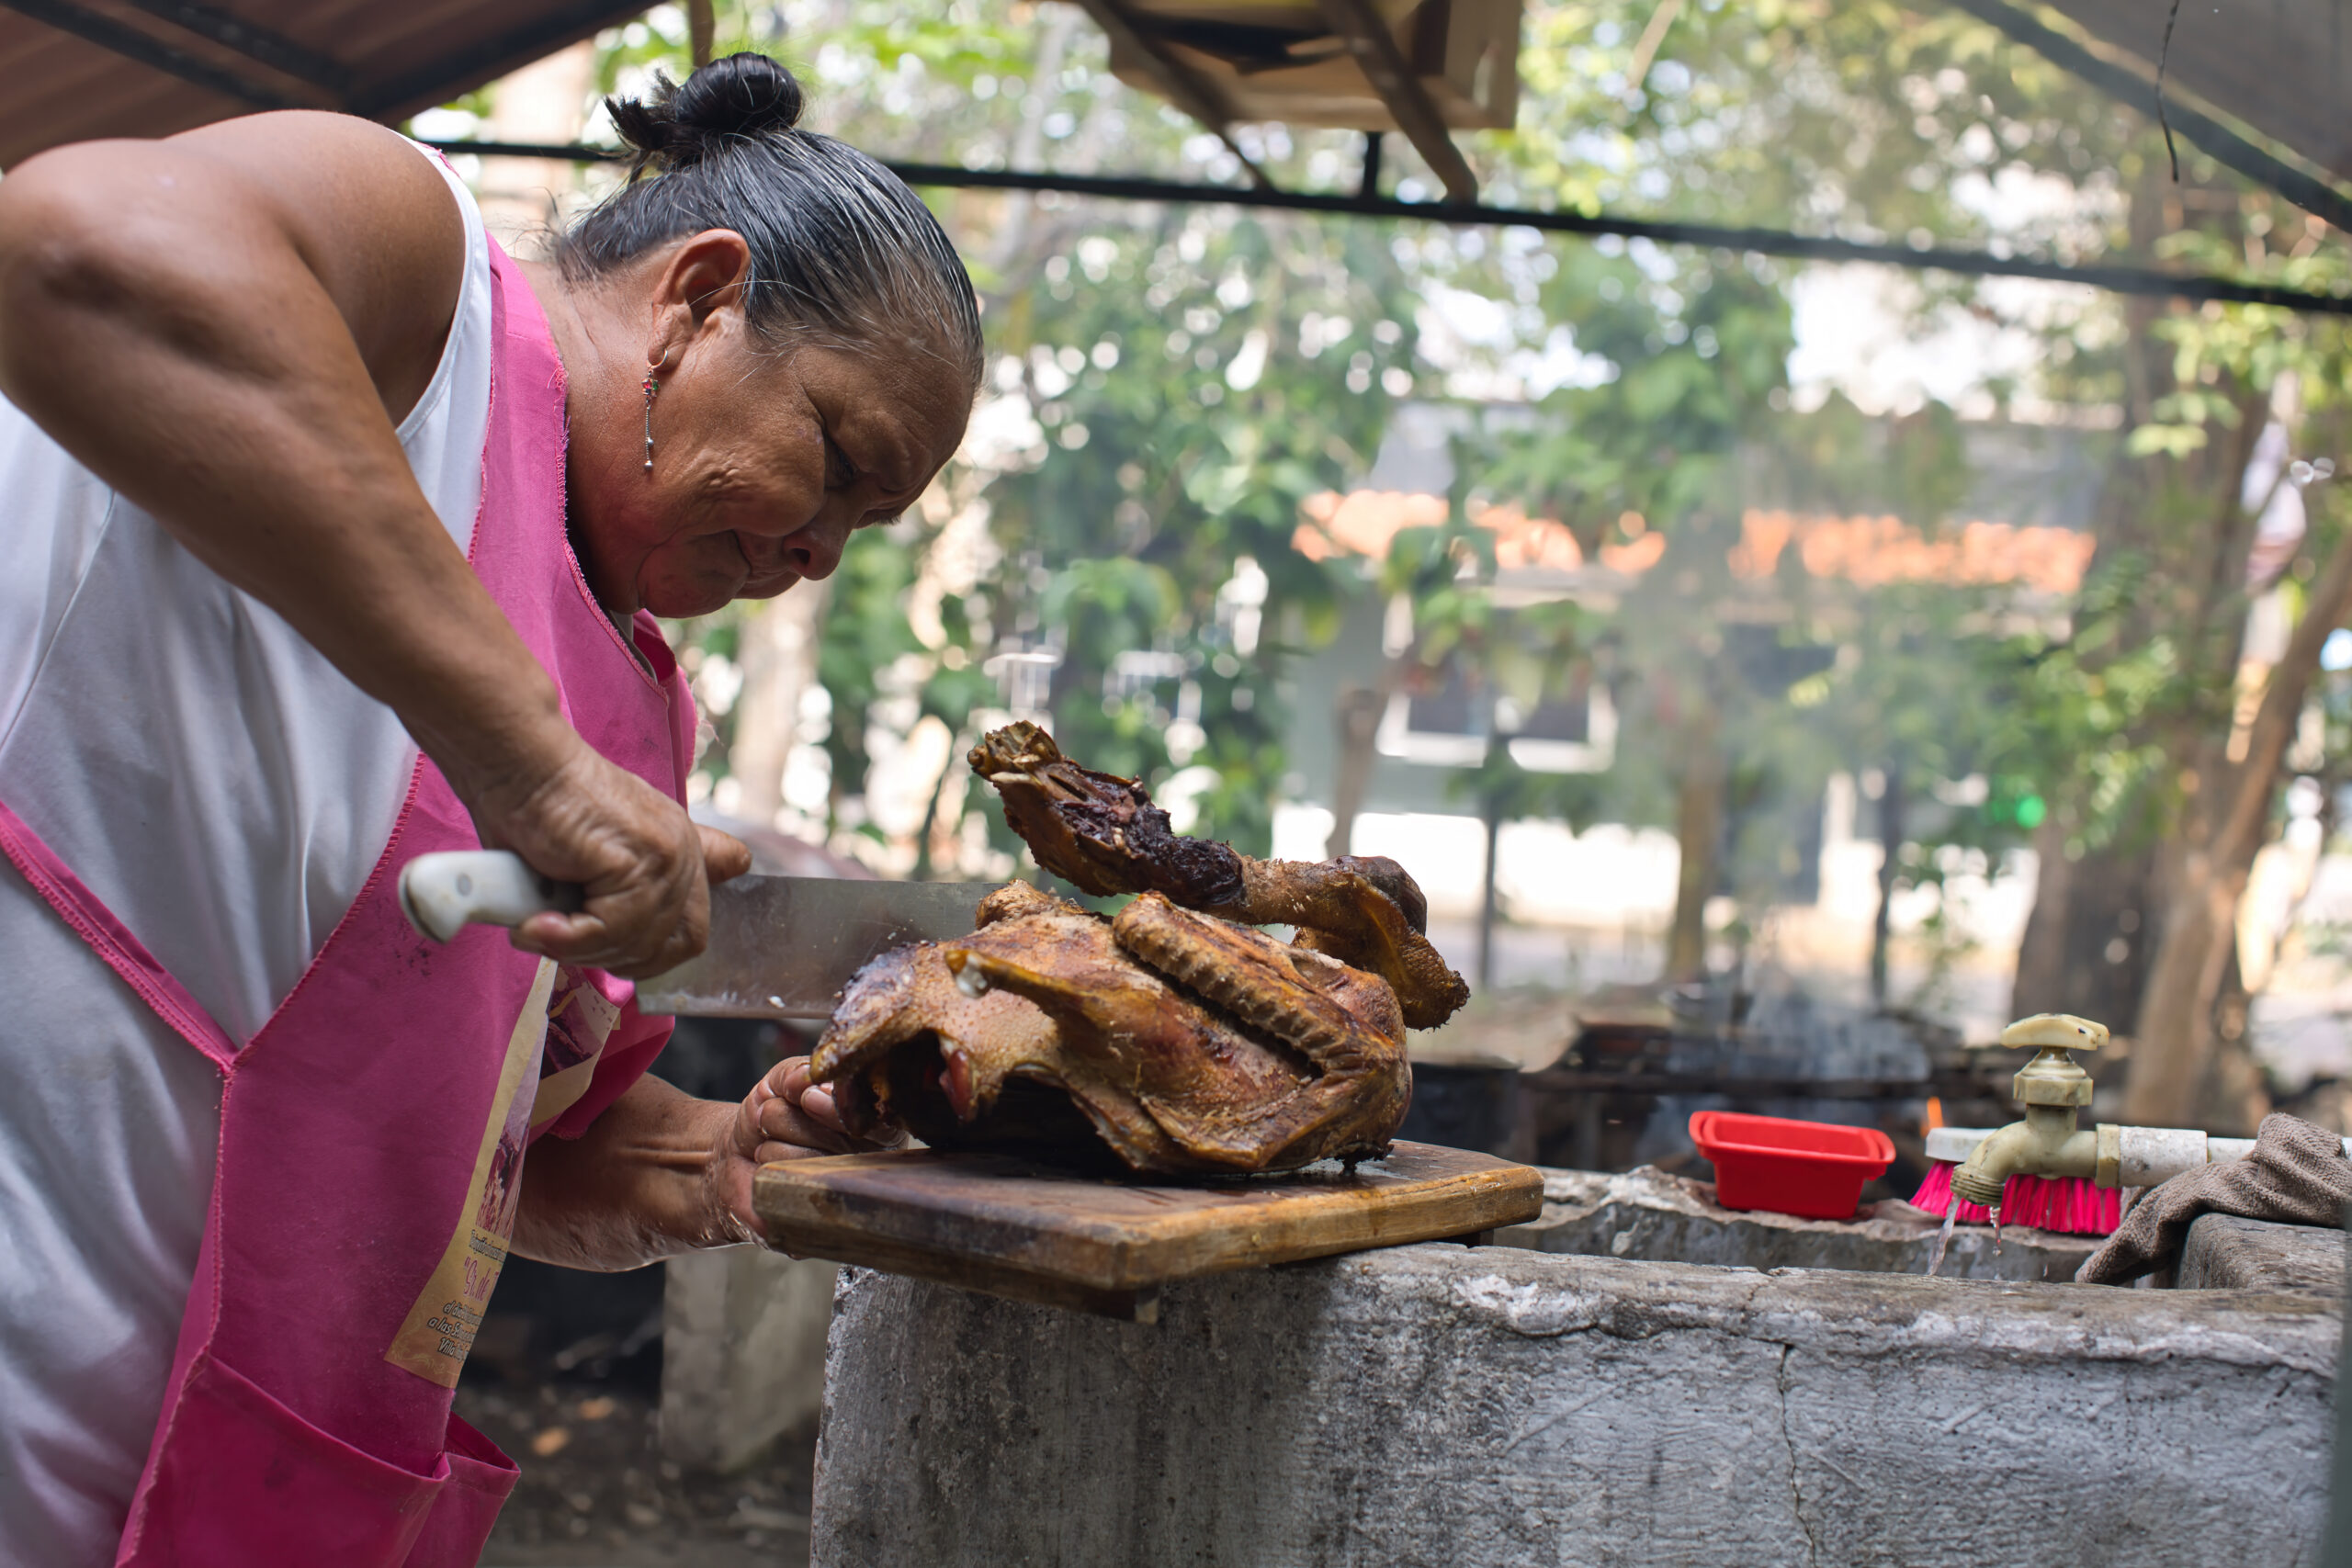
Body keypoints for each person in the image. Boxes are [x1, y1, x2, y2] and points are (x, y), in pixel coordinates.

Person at [0, 52, 978, 1567]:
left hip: (211, 1487)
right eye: (837, 462)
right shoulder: (427, 289)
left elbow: (528, 1153)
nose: (822, 555)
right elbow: (73, 253)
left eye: (862, 526)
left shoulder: (640, 711)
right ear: (701, 299)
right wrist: (532, 765)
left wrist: (715, 1169)